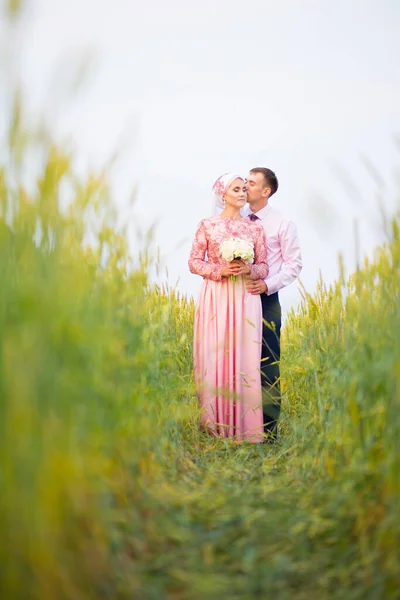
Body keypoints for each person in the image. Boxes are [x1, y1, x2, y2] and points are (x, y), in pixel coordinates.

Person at [188, 173, 269, 443]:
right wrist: (221, 269)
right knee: (216, 355)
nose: (243, 192)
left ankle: (246, 429)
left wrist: (249, 268)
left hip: (245, 296)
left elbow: (265, 266)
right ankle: (215, 427)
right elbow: (194, 262)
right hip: (217, 295)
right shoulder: (207, 226)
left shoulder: (255, 229)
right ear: (222, 194)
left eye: (245, 188)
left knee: (245, 357)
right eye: (236, 189)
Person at [244, 167, 302, 440]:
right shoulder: (238, 217)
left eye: (251, 183)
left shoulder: (282, 223)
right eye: (245, 180)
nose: (245, 186)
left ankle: (268, 432)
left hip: (267, 299)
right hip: (236, 298)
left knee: (267, 363)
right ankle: (238, 426)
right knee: (236, 360)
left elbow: (294, 264)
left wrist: (268, 285)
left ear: (266, 191)